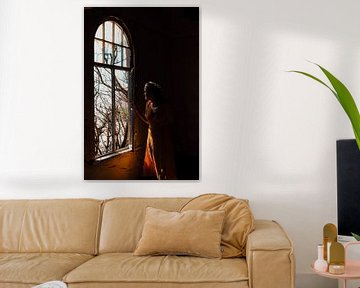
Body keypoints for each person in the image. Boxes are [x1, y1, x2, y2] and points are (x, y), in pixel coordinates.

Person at [135, 82, 177, 180]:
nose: (144, 94)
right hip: (152, 136)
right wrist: (137, 111)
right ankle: (159, 179)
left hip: (162, 137)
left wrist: (158, 124)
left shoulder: (164, 105)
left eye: (146, 92)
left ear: (153, 93)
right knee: (155, 160)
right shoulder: (149, 104)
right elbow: (148, 121)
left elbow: (171, 120)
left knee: (164, 161)